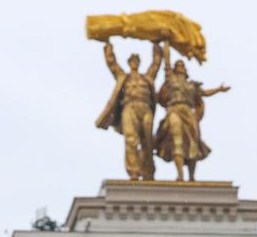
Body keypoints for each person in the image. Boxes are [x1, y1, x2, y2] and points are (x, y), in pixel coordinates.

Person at [154, 43, 230, 181]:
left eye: (182, 65)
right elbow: (166, 61)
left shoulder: (192, 85)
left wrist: (219, 89)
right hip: (174, 110)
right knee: (177, 139)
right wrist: (166, 42)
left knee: (192, 142)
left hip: (189, 113)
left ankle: (191, 176)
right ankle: (180, 174)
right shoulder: (171, 80)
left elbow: (205, 93)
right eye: (178, 65)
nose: (180, 66)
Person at [95, 41, 163, 181]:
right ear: (129, 63)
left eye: (136, 61)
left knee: (148, 141)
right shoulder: (123, 77)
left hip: (144, 107)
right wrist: (108, 47)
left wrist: (156, 44)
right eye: (132, 61)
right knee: (131, 139)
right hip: (129, 107)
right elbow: (112, 64)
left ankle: (147, 171)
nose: (134, 63)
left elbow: (156, 64)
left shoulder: (147, 77)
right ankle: (133, 172)